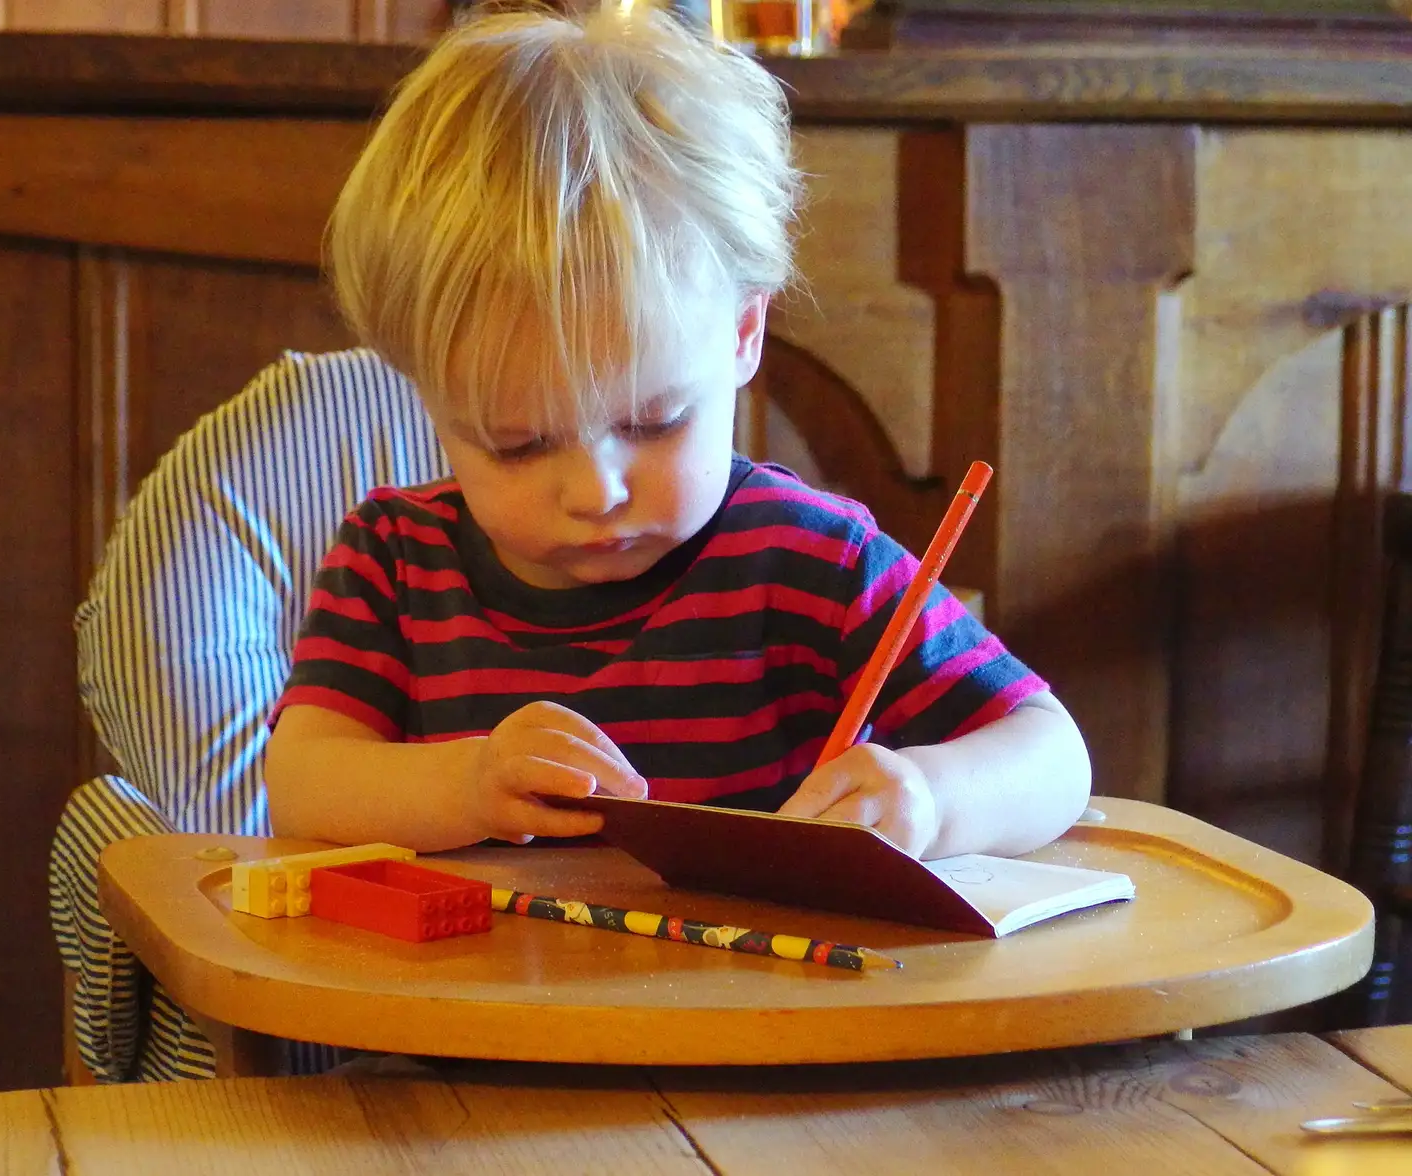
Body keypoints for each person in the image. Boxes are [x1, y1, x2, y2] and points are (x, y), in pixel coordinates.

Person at [264, 3, 1091, 861]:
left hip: (758, 996)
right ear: (428, 394)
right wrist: (467, 787)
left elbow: (1051, 753)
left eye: (651, 422)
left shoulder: (816, 563)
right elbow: (303, 786)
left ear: (742, 333)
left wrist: (931, 800)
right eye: (518, 443)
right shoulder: (394, 564)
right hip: (463, 996)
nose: (596, 493)